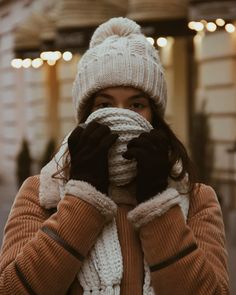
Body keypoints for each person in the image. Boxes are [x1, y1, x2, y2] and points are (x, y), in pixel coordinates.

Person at [0, 17, 229, 295]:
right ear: (86, 117)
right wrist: (83, 198)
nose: (121, 115)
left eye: (136, 104)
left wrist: (158, 205)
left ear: (154, 117)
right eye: (105, 104)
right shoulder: (42, 194)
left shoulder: (196, 200)